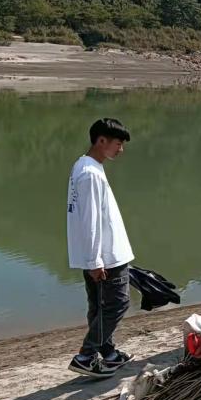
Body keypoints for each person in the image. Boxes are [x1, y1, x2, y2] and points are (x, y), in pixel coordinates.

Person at [66, 118, 136, 378]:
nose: (121, 149)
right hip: (106, 256)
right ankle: (85, 356)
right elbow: (91, 220)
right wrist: (95, 261)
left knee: (99, 307)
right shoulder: (90, 174)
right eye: (118, 144)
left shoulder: (83, 165)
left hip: (96, 254)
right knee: (117, 304)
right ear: (101, 140)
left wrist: (90, 259)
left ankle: (108, 354)